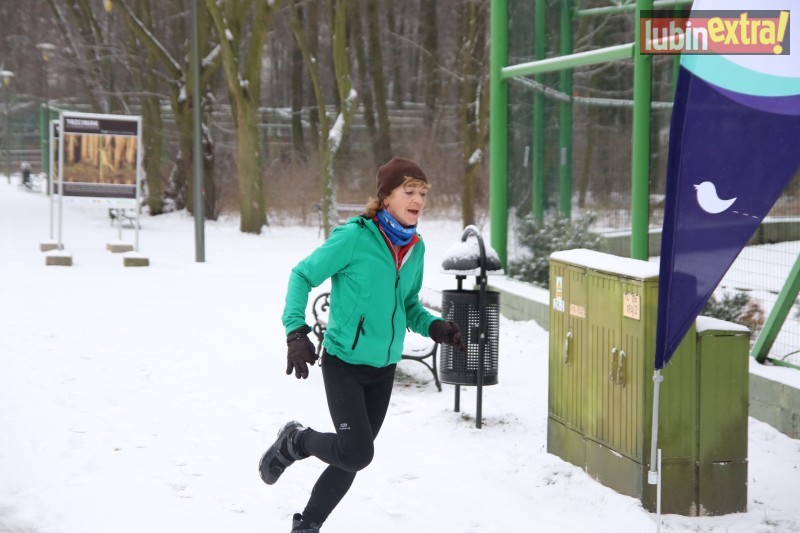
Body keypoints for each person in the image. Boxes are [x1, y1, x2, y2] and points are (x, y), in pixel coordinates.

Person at [259, 157, 466, 532]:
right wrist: (295, 332)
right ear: (386, 197)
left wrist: (434, 327)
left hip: (383, 369)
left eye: (422, 193)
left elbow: (408, 305)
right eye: (409, 191)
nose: (418, 199)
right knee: (356, 453)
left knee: (350, 456)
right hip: (345, 364)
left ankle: (307, 524)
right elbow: (302, 275)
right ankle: (297, 440)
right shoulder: (354, 237)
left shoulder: (415, 248)